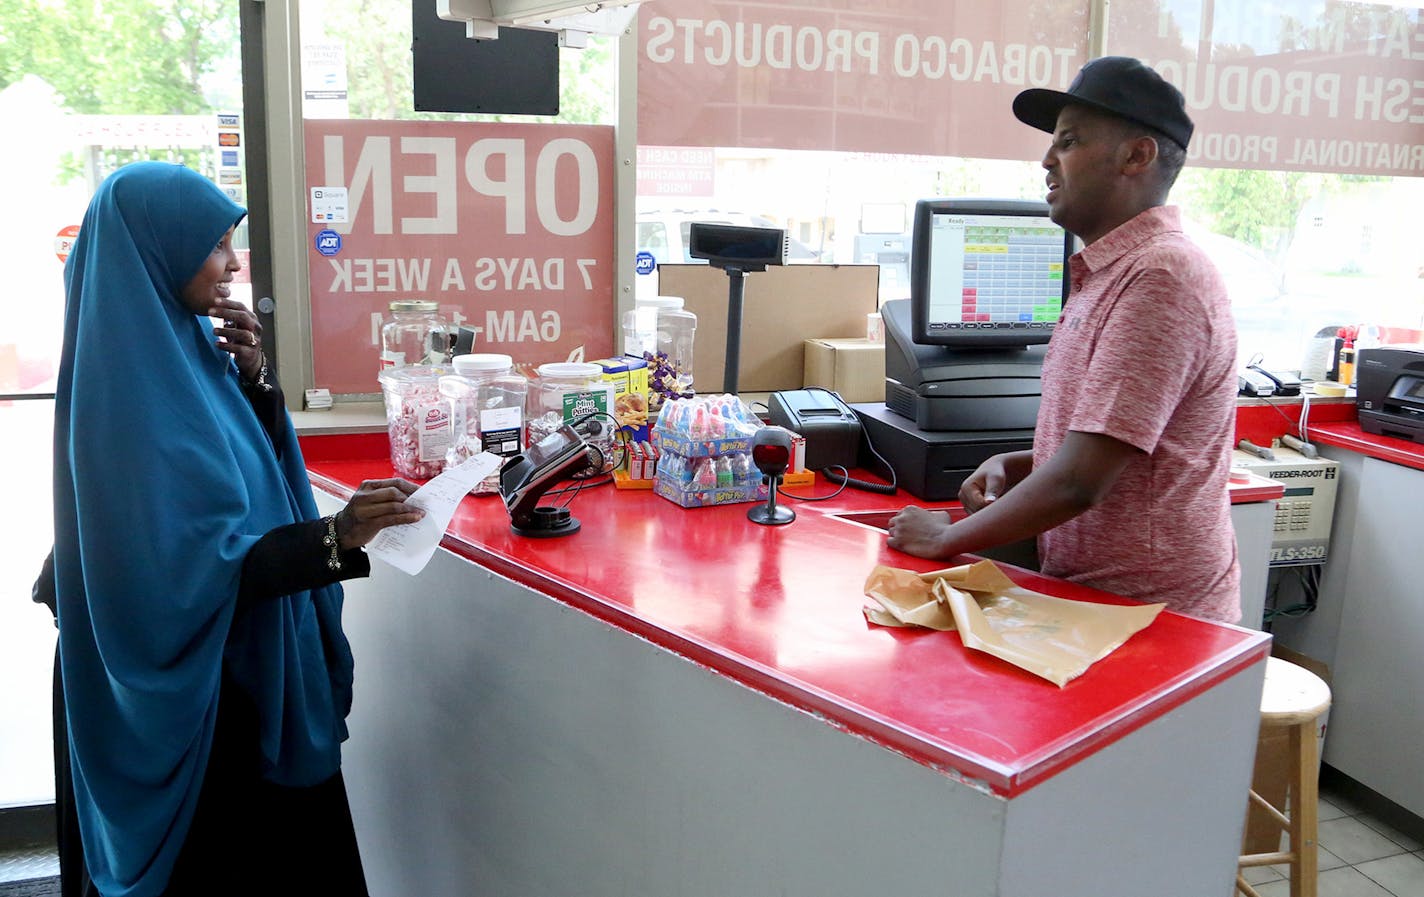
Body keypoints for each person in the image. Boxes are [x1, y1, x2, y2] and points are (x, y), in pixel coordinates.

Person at [41, 160, 425, 897]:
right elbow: (186, 571)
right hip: (195, 700)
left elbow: (239, 491)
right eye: (214, 243)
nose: (231, 263)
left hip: (232, 671)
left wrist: (255, 383)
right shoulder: (128, 399)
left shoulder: (183, 350)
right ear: (157, 249)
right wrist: (334, 536)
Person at [887, 56, 1242, 624]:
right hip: (1094, 604)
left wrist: (948, 534)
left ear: (1137, 155)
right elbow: (1117, 450)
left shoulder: (1161, 278)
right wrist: (1021, 462)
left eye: (1069, 141)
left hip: (1154, 621)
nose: (1047, 160)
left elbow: (1081, 482)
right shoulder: (1108, 274)